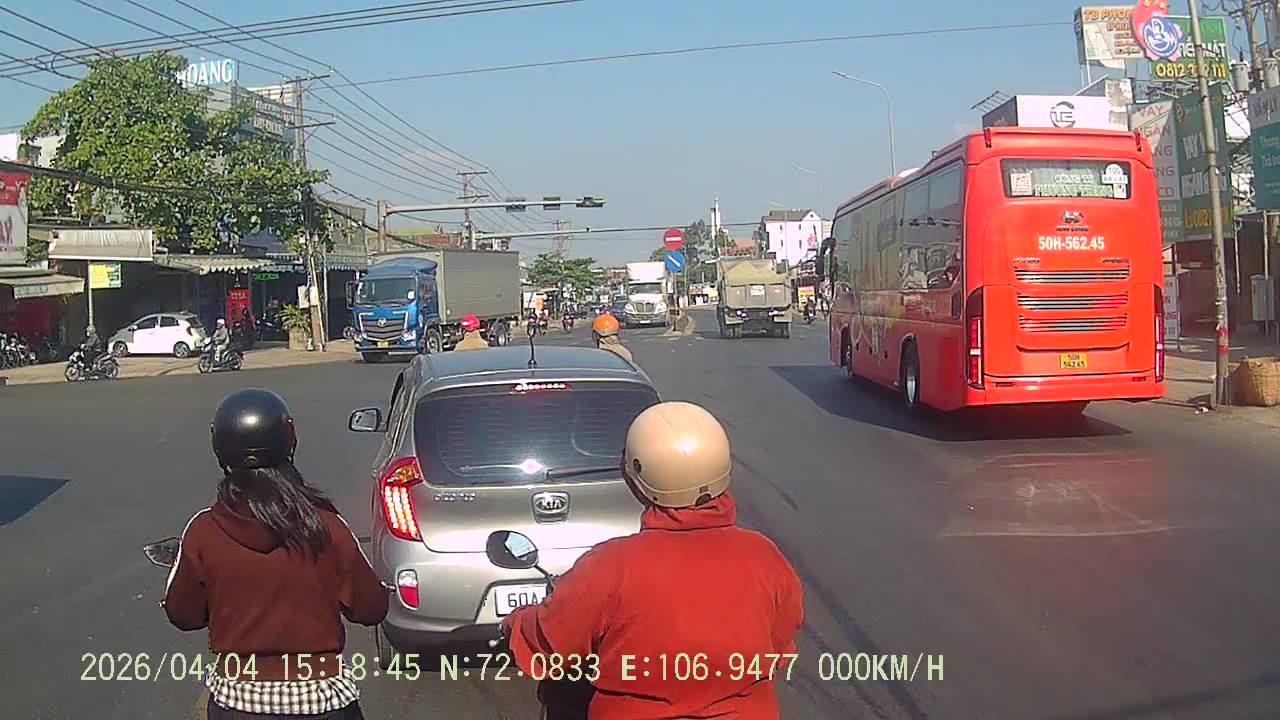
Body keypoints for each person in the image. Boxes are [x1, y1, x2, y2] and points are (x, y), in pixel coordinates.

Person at [502, 401, 804, 719]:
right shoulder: (763, 555)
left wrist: (514, 624)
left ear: (634, 474)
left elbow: (550, 642)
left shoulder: (611, 566)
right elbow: (781, 639)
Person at [163, 388, 389, 720]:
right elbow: (372, 609)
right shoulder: (326, 526)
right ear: (289, 440)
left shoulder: (203, 531)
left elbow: (183, 615)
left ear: (220, 448)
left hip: (237, 702)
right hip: (322, 702)